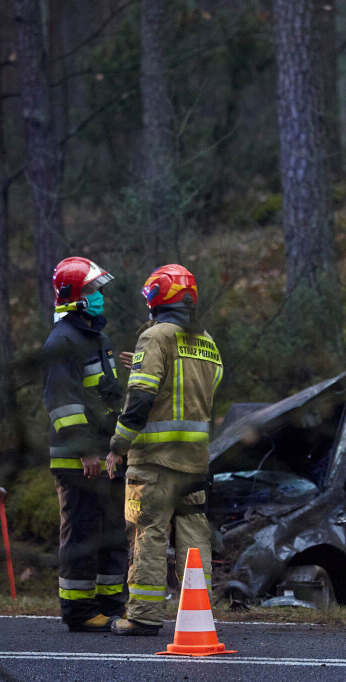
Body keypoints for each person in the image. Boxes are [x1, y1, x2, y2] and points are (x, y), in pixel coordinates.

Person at [106, 264, 223, 636]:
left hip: (154, 462)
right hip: (195, 462)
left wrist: (117, 446)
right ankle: (198, 613)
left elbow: (140, 400)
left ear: (156, 298)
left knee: (148, 534)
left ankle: (142, 616)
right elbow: (198, 394)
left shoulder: (155, 338)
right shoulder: (206, 341)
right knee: (194, 538)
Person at [42, 257, 128, 632]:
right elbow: (64, 405)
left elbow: (106, 398)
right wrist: (86, 451)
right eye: (93, 291)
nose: (100, 297)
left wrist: (115, 447)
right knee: (81, 533)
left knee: (111, 531)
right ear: (72, 296)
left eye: (99, 291)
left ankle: (110, 604)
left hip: (106, 457)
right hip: (78, 460)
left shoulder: (97, 338)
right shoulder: (61, 342)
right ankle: (78, 612)